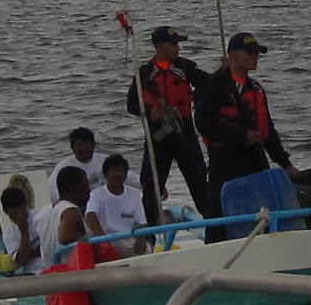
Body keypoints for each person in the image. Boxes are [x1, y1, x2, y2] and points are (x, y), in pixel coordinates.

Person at [127, 25, 220, 223]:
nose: (177, 48)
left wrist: (223, 72)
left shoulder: (185, 67)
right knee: (152, 187)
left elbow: (209, 83)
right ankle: (150, 232)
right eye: (173, 44)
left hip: (183, 131)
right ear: (160, 46)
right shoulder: (144, 74)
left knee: (200, 182)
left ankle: (215, 226)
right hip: (157, 137)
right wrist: (150, 112)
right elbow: (132, 104)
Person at [194, 31, 294, 210]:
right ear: (233, 54)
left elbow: (268, 132)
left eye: (257, 53)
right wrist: (241, 136)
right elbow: (204, 124)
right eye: (249, 52)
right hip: (225, 163)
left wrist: (286, 165)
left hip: (256, 160)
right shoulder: (213, 85)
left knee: (266, 211)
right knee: (220, 216)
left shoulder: (256, 89)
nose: (255, 57)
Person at [84, 152, 147, 250]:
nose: (118, 174)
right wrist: (104, 241)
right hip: (108, 238)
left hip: (130, 238)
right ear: (105, 174)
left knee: (147, 250)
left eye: (121, 171)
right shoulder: (96, 194)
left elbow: (142, 223)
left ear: (126, 175)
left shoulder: (134, 194)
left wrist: (140, 240)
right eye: (114, 171)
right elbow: (90, 217)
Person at [36, 164, 93, 272]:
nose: (89, 190)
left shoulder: (43, 213)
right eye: (86, 186)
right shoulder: (70, 210)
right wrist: (89, 240)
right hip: (71, 272)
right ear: (74, 189)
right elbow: (64, 238)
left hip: (50, 271)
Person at [0, 179, 41, 274]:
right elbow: (22, 259)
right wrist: (24, 230)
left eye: (21, 209)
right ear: (6, 211)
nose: (19, 215)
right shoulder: (9, 234)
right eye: (14, 213)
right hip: (33, 272)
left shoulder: (41, 217)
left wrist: (31, 253)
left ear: (25, 205)